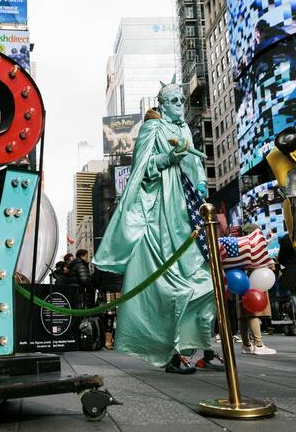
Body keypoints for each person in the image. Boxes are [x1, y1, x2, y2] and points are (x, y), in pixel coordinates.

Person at [93, 78, 217, 374]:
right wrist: (166, 159)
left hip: (188, 209)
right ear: (162, 104)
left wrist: (200, 182)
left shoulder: (185, 128)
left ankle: (196, 345)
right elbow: (142, 169)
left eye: (181, 102)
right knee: (167, 285)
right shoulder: (152, 128)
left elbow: (197, 166)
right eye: (173, 101)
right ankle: (171, 351)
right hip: (162, 209)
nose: (179, 106)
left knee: (205, 281)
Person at [236, 224, 277, 355]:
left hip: (240, 281)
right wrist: (270, 265)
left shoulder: (239, 245)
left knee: (243, 315)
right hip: (255, 282)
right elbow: (262, 263)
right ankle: (258, 345)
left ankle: (246, 344)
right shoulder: (254, 246)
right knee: (253, 312)